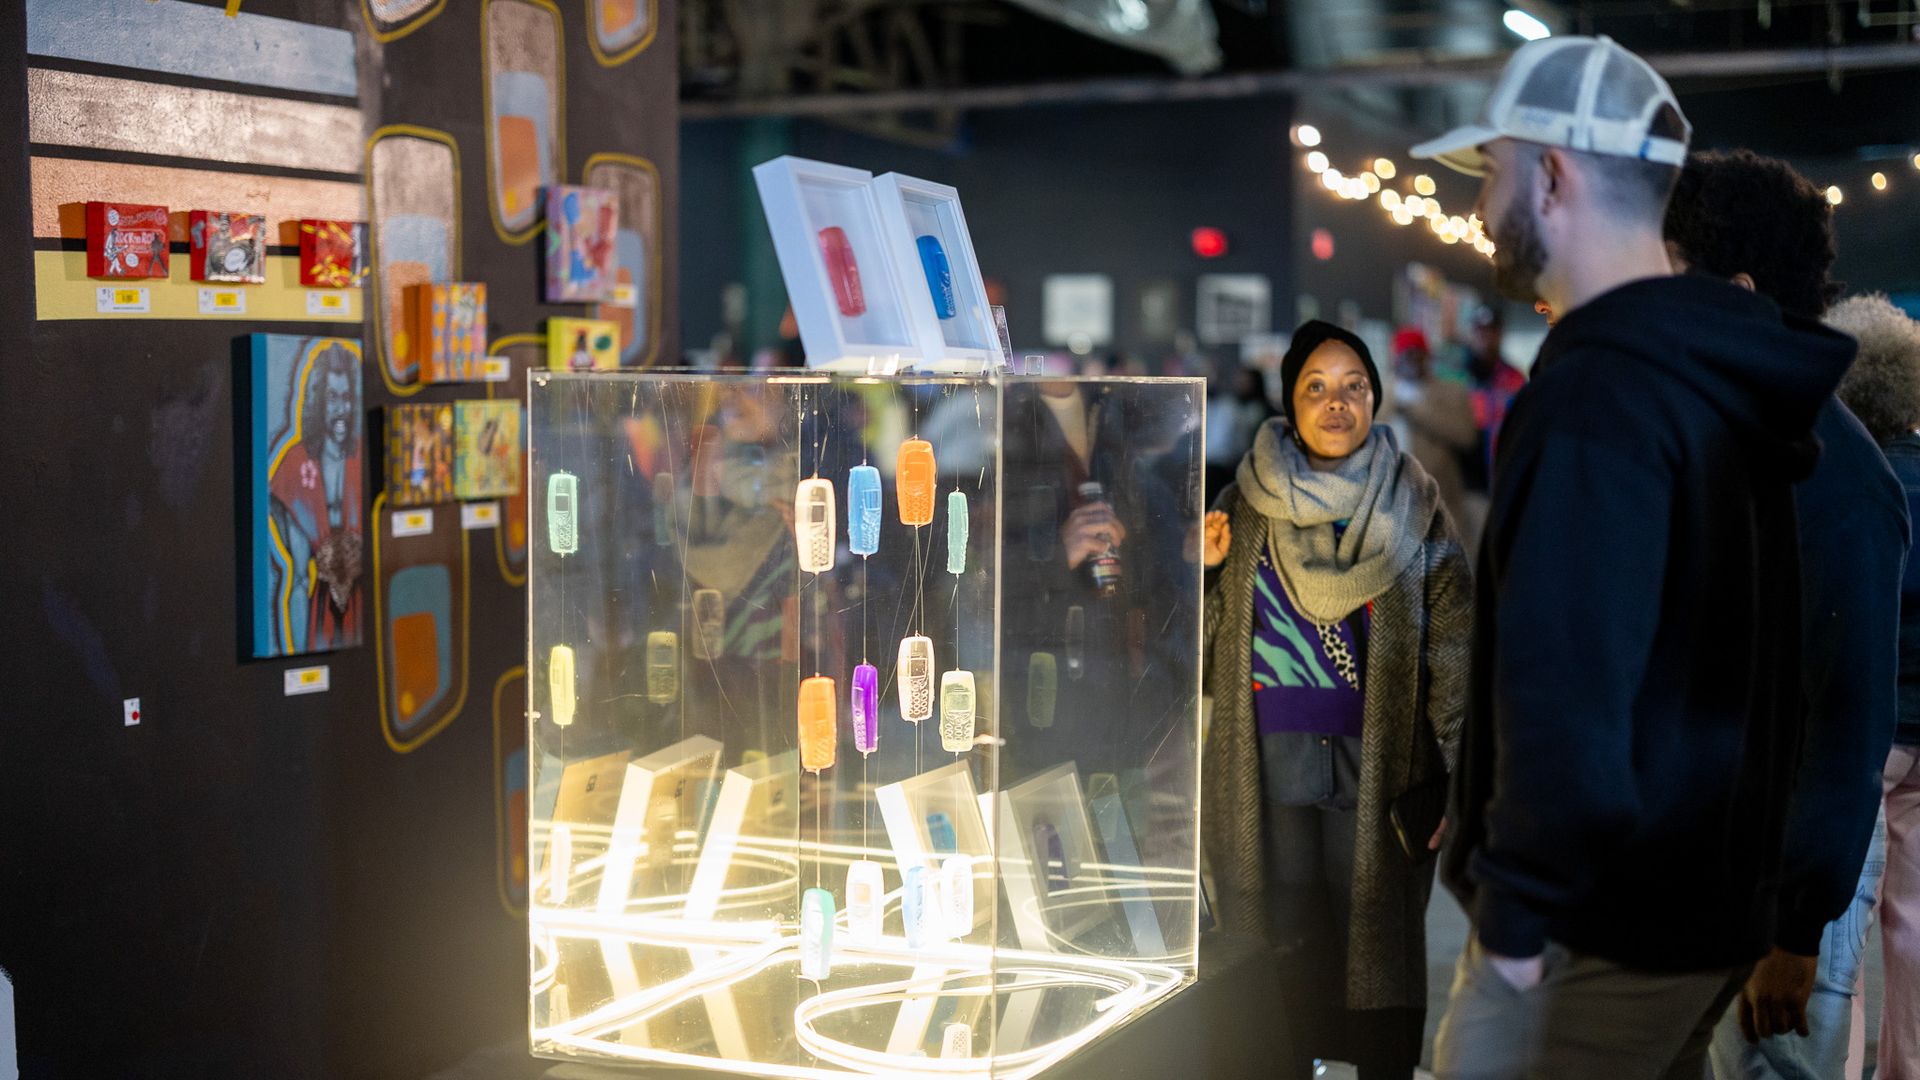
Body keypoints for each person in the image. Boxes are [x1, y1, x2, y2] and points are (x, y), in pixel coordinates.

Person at [1411, 35, 1858, 1079]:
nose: (1481, 208)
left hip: (1594, 930)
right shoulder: (1716, 373)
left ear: (1552, 175)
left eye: (1493, 173)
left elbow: (1568, 683)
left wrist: (1514, 932)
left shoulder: (1599, 395)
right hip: (1702, 910)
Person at [1660, 152, 1910, 1080]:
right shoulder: (1717, 441)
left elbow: (1848, 723)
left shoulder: (1835, 474)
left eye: (1671, 275)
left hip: (1774, 900)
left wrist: (1796, 929)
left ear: (1737, 293)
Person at [1199, 320, 1471, 1080]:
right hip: (1266, 769)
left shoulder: (1416, 504)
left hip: (1380, 771)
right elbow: (1204, 656)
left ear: (1375, 399)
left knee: (1375, 942)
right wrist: (1207, 571)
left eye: (1354, 386)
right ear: (1290, 401)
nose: (1336, 402)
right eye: (1315, 387)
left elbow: (1454, 647)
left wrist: (1455, 770)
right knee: (1281, 946)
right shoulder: (1243, 503)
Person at [1831, 293, 1920, 1079]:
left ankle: (1837, 1066)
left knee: (1842, 929)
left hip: (1864, 735)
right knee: (1916, 931)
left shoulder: (1848, 481)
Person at [1385, 326, 1477, 533]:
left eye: (1417, 354)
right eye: (1406, 354)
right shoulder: (1379, 394)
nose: (1412, 361)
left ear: (1426, 357)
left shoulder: (1451, 392)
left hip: (1439, 503)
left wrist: (1416, 412)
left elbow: (1466, 436)